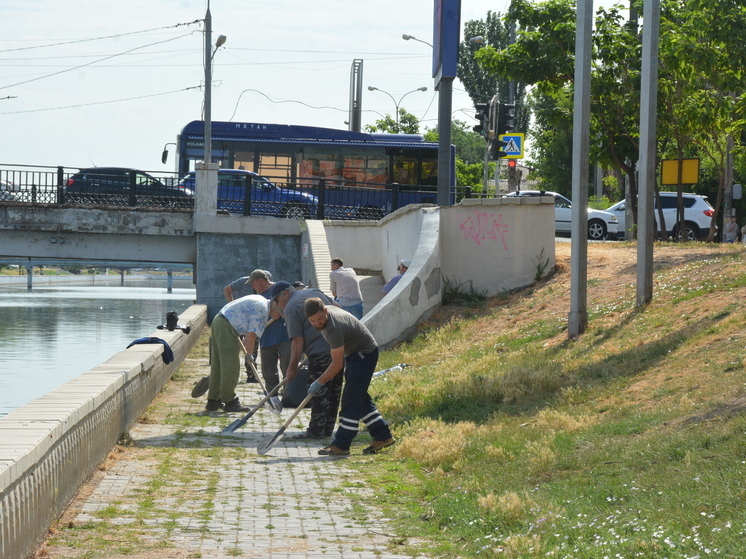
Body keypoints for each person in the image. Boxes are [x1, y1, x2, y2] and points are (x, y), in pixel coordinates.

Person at [303, 297, 394, 456]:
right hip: (355, 354)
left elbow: (337, 364)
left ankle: (342, 444)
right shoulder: (328, 312)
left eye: (320, 319)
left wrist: (319, 382)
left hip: (364, 355)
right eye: (313, 321)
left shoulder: (333, 329)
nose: (317, 323)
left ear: (325, 311)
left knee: (351, 401)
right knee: (359, 398)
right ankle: (383, 435)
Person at [270, 281, 343, 439]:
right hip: (337, 347)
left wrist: (292, 369)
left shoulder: (290, 308)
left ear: (285, 293)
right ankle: (327, 430)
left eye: (276, 300)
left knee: (317, 391)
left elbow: (297, 341)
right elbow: (338, 308)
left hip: (319, 353)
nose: (276, 304)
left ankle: (316, 431)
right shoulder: (314, 292)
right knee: (333, 392)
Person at [205, 294, 271, 412]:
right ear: (276, 304)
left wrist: (246, 341)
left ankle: (213, 401)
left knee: (219, 365)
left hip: (219, 320)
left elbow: (248, 328)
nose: (275, 316)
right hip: (227, 326)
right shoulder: (263, 310)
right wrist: (249, 355)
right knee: (231, 366)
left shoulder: (261, 301)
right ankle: (230, 401)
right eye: (279, 313)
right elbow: (251, 334)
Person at [243, 269, 291, 393]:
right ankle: (271, 396)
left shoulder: (280, 288)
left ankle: (289, 394)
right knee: (268, 370)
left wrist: (280, 311)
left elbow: (293, 305)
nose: (252, 287)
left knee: (287, 367)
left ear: (260, 280)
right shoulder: (257, 298)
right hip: (266, 338)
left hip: (285, 336)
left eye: (253, 283)